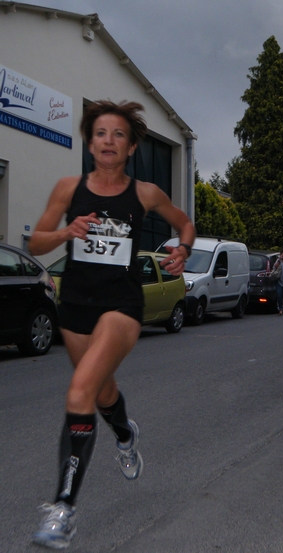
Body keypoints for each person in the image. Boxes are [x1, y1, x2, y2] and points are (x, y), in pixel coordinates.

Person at [29, 100, 195, 549]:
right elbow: (35, 241)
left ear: (131, 146)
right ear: (89, 142)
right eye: (100, 133)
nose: (108, 141)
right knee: (100, 392)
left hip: (122, 304)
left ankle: (62, 508)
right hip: (76, 305)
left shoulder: (145, 193)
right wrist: (66, 232)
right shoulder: (68, 188)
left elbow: (184, 223)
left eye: (118, 134)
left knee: (80, 389)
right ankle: (124, 432)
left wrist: (182, 250)